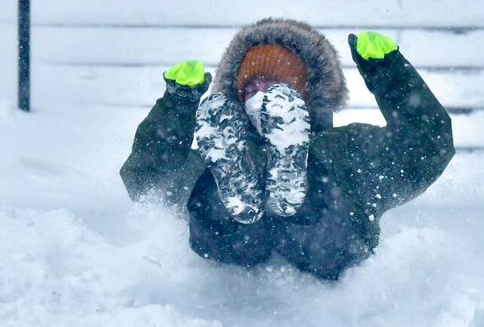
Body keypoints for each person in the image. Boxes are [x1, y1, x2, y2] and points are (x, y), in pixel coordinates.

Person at [120, 18, 454, 280]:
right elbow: (148, 180)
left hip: (328, 239)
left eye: (277, 88)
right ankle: (241, 192)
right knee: (209, 191)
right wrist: (178, 105)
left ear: (308, 96)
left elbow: (425, 147)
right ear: (237, 98)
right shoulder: (219, 148)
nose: (262, 94)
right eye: (252, 86)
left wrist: (390, 74)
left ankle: (295, 179)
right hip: (238, 234)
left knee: (323, 187)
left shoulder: (347, 148)